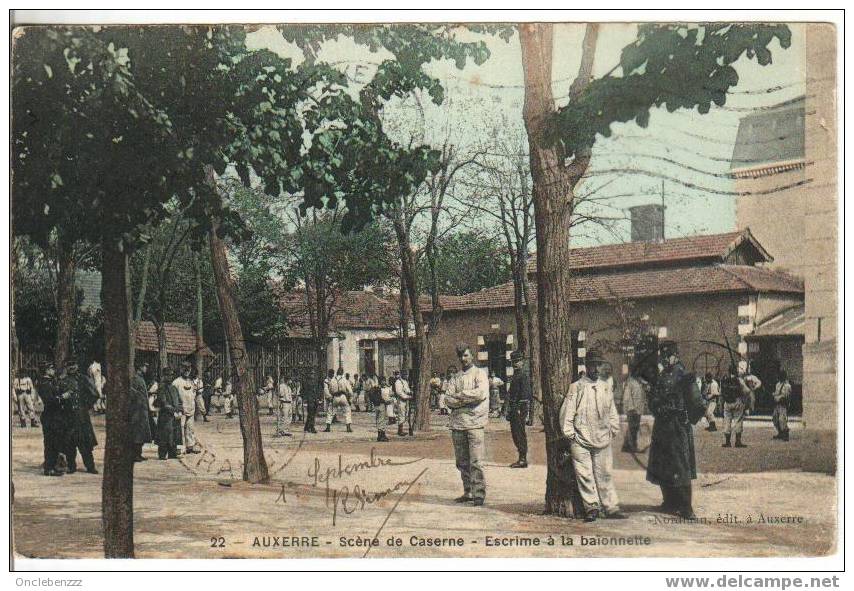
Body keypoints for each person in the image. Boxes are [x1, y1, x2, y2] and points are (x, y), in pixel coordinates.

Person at [560, 350, 626, 522]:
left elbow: (612, 413)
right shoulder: (577, 387)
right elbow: (567, 413)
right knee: (585, 474)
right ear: (586, 365)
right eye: (592, 365)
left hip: (602, 438)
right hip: (580, 439)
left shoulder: (606, 387)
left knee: (604, 474)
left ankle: (610, 507)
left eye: (599, 364)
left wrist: (613, 430)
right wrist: (570, 435)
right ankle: (591, 507)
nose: (596, 369)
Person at [646, 341, 699, 519]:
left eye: (667, 355)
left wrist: (690, 417)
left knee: (680, 465)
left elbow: (695, 401)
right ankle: (669, 501)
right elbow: (652, 399)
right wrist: (655, 407)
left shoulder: (684, 375)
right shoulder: (661, 376)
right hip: (662, 425)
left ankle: (686, 507)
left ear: (675, 355)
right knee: (662, 464)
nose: (665, 359)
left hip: (677, 425)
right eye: (663, 355)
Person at [444, 343, 489, 506]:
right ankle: (468, 491)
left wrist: (461, 396)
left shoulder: (480, 374)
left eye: (466, 355)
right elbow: (447, 399)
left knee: (476, 461)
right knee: (462, 461)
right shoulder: (455, 378)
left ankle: (479, 494)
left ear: (472, 356)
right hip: (457, 424)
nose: (463, 359)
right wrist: (466, 401)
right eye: (461, 356)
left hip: (475, 423)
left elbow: (481, 394)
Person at [64, 361, 100, 474]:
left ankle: (90, 466)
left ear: (77, 366)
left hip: (81, 417)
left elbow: (95, 394)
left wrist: (85, 405)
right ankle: (71, 466)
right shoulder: (62, 381)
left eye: (73, 365)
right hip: (68, 417)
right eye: (69, 366)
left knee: (85, 443)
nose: (71, 368)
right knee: (69, 443)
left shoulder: (83, 379)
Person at [721, 362, 760, 448]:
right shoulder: (739, 380)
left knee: (727, 420)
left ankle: (727, 442)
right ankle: (738, 441)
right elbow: (747, 391)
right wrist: (744, 399)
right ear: (736, 371)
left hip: (727, 402)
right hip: (737, 401)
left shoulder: (724, 379)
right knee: (738, 420)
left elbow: (722, 392)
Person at [506, 351, 532, 468]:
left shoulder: (523, 375)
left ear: (522, 362)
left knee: (519, 432)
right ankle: (521, 457)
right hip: (514, 408)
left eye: (517, 361)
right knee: (515, 433)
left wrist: (521, 410)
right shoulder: (516, 375)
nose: (515, 364)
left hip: (520, 408)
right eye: (513, 362)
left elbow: (526, 395)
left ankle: (523, 459)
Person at [38, 362, 65, 476]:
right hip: (50, 416)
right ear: (47, 370)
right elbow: (49, 401)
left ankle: (53, 465)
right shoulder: (44, 384)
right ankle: (49, 468)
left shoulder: (49, 382)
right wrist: (62, 397)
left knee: (55, 442)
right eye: (51, 369)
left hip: (54, 416)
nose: (53, 370)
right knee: (50, 443)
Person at [155, 366, 183, 459]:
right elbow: (163, 402)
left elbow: (179, 400)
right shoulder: (162, 388)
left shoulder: (174, 388)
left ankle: (172, 453)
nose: (170, 377)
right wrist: (174, 410)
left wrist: (180, 408)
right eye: (167, 375)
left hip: (175, 416)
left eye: (171, 375)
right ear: (164, 376)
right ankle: (162, 454)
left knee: (174, 435)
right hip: (165, 416)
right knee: (165, 435)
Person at [173, 362, 200, 454]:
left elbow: (194, 394)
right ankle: (180, 447)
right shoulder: (176, 382)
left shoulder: (192, 382)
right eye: (185, 369)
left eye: (188, 369)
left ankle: (190, 446)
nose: (186, 371)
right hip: (181, 409)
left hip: (191, 408)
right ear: (181, 369)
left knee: (190, 428)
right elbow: (174, 396)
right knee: (180, 429)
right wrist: (177, 408)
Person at [621, 366, 648, 453]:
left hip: (635, 409)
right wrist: (632, 409)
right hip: (633, 409)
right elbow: (627, 397)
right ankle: (633, 447)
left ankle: (626, 446)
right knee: (634, 429)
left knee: (632, 428)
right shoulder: (631, 382)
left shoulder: (636, 382)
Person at [130, 361, 153, 462]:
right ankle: (135, 454)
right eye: (144, 366)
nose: (146, 368)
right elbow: (131, 392)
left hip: (142, 410)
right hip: (137, 410)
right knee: (137, 433)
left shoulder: (140, 378)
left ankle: (138, 453)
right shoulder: (135, 378)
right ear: (140, 367)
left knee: (141, 433)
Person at [324, 367, 354, 433]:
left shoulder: (332, 380)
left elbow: (330, 390)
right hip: (343, 397)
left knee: (330, 411)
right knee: (347, 412)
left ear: (337, 372)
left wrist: (330, 397)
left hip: (335, 397)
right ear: (342, 372)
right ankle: (348, 427)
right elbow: (350, 391)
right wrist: (350, 400)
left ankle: (328, 427)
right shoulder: (345, 380)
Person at [772, 370, 792, 442]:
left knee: (782, 419)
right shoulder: (777, 384)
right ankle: (780, 432)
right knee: (775, 418)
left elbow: (786, 396)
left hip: (783, 404)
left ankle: (785, 434)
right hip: (776, 404)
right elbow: (776, 393)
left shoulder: (787, 386)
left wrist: (778, 398)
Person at [373, 376, 393, 442]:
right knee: (382, 419)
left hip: (376, 405)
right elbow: (383, 398)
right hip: (382, 405)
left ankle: (380, 435)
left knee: (379, 419)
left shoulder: (376, 388)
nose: (384, 382)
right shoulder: (380, 389)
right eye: (383, 380)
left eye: (384, 380)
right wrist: (387, 401)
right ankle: (382, 435)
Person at [393, 370, 412, 437]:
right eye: (404, 374)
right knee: (401, 414)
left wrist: (410, 393)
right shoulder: (398, 382)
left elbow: (407, 390)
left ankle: (404, 429)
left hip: (407, 400)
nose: (406, 376)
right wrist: (406, 396)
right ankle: (400, 430)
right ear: (402, 375)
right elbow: (399, 392)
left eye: (406, 374)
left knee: (406, 414)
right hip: (401, 400)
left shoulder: (405, 381)